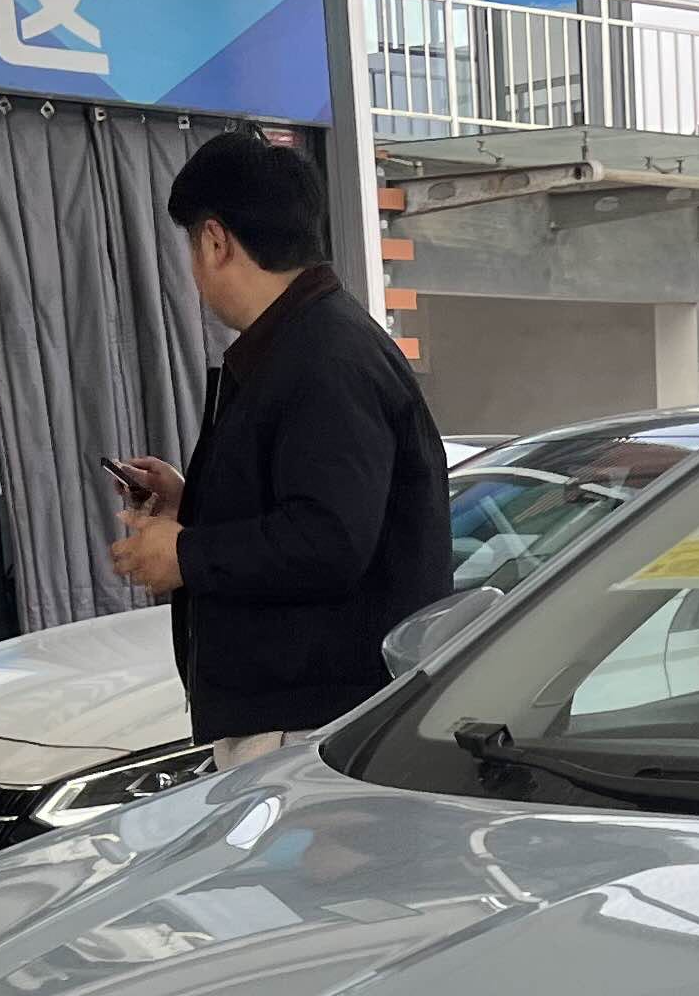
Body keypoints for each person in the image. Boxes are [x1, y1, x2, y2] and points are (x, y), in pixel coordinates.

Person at [106, 131, 450, 768]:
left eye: (191, 246)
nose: (193, 271)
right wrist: (192, 503)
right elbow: (309, 505)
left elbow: (328, 540)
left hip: (312, 726)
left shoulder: (324, 357)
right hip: (304, 712)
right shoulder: (305, 342)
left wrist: (185, 553)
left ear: (216, 241)